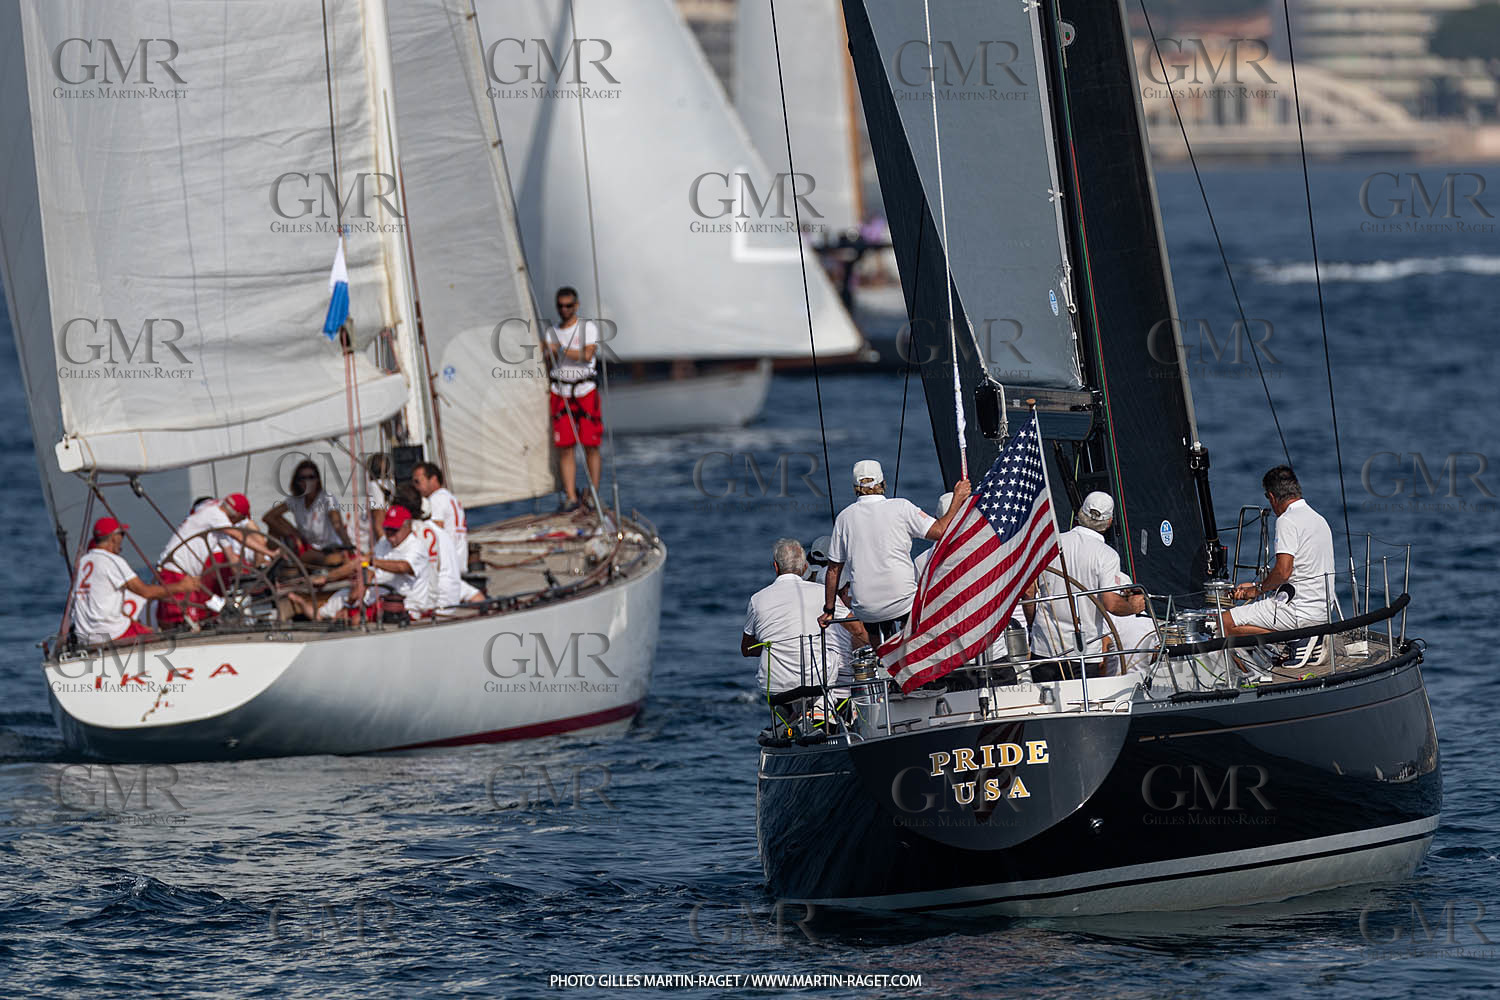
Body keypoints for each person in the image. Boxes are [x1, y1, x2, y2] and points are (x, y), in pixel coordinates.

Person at [818, 460, 969, 644]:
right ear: (883, 484)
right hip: (903, 602)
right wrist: (957, 498)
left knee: (873, 625)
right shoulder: (902, 507)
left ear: (855, 488)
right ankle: (912, 653)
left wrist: (829, 610)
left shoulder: (844, 518)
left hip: (866, 608)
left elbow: (833, 571)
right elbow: (939, 531)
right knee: (912, 614)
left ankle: (882, 658)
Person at [1030, 491, 1146, 675]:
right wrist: (1134, 606)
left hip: (1044, 645)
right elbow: (1111, 603)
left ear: (1079, 515)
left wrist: (1033, 627)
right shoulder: (1107, 555)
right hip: (1083, 651)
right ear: (1109, 522)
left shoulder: (1050, 543)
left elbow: (1029, 592)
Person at [743, 538, 868, 700]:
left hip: (774, 686)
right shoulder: (823, 593)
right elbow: (858, 630)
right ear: (804, 567)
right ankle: (822, 709)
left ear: (775, 567)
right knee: (831, 654)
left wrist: (776, 647)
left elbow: (746, 649)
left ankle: (794, 713)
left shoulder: (756, 600)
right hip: (815, 681)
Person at [1224, 465, 1335, 636]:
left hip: (1298, 612)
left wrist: (1256, 591)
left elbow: (1283, 572)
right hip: (1322, 613)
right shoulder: (1319, 520)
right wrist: (1255, 585)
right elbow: (1301, 571)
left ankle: (1295, 641)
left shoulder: (1287, 520)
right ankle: (1299, 640)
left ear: (1271, 496)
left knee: (1224, 622)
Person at [69, 518, 199, 645]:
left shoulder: (83, 562)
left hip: (85, 637)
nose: (122, 539)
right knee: (159, 640)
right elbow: (146, 592)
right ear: (114, 537)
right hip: (111, 635)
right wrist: (182, 586)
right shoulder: (112, 561)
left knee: (144, 631)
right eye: (122, 534)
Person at [157, 493, 277, 626]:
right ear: (236, 515)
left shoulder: (218, 524)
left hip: (187, 575)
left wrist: (248, 581)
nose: (236, 524)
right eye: (240, 519)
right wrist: (269, 552)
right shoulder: (215, 515)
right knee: (177, 621)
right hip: (175, 570)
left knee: (190, 620)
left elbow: (232, 559)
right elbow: (238, 535)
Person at [301, 505, 434, 620]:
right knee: (347, 593)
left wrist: (371, 562)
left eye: (394, 530)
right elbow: (360, 562)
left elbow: (403, 567)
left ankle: (342, 617)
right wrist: (327, 578)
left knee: (356, 616)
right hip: (382, 598)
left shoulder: (416, 547)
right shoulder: (384, 543)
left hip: (407, 607)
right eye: (387, 529)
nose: (390, 534)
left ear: (408, 527)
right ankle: (320, 615)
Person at [543, 285, 603, 511]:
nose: (564, 310)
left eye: (568, 306)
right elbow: (550, 362)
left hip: (584, 390)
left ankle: (593, 492)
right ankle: (570, 495)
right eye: (560, 306)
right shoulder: (551, 332)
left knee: (591, 444)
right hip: (561, 392)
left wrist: (560, 348)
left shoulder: (587, 328)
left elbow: (587, 354)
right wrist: (547, 352)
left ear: (576, 306)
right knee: (565, 447)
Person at [395, 482, 484, 614]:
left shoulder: (413, 533)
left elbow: (407, 569)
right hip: (451, 590)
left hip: (434, 598)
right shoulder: (440, 532)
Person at [263, 459, 353, 567]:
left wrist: (350, 549)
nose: (307, 482)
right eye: (303, 478)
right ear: (297, 482)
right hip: (309, 548)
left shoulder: (326, 498)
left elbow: (338, 525)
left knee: (322, 558)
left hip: (329, 548)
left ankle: (283, 564)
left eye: (311, 477)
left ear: (317, 480)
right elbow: (268, 517)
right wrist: (294, 534)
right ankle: (275, 563)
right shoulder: (295, 500)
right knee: (273, 530)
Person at [413, 461, 467, 559]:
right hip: (460, 557)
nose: (415, 487)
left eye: (418, 482)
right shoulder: (451, 498)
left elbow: (437, 530)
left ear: (433, 479)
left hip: (448, 561)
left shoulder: (436, 499)